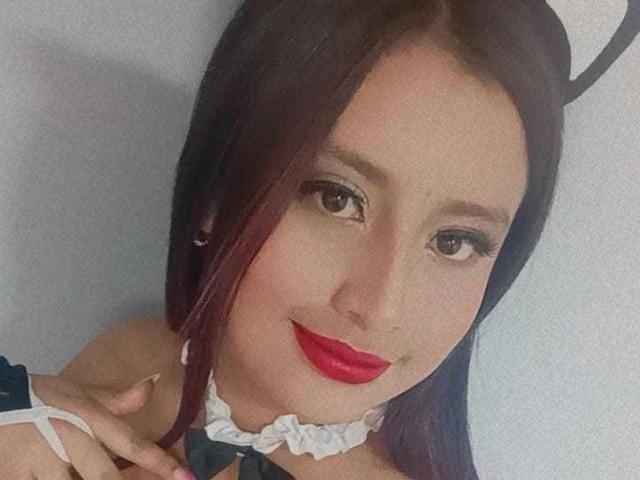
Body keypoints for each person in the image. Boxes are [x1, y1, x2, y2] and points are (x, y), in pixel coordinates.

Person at [1, 1, 637, 479]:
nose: (380, 305)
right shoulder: (129, 360)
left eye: (455, 241)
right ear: (216, 192)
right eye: (337, 199)